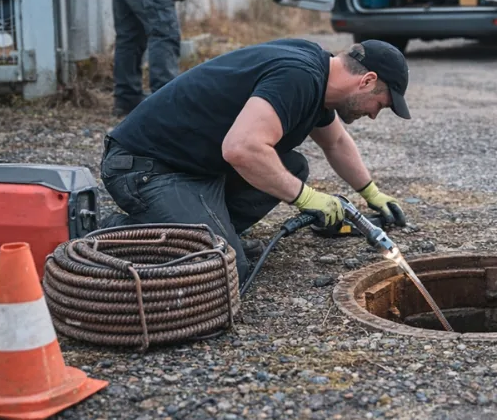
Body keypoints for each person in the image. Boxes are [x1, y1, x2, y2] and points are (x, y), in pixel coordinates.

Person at [99, 38, 412, 281]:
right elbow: (242, 149)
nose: (372, 115)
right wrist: (307, 198)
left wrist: (371, 193)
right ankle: (108, 230)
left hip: (195, 169)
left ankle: (216, 233)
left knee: (293, 167)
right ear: (368, 80)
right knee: (223, 270)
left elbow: (336, 142)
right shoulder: (298, 76)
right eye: (379, 105)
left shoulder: (319, 75)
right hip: (145, 168)